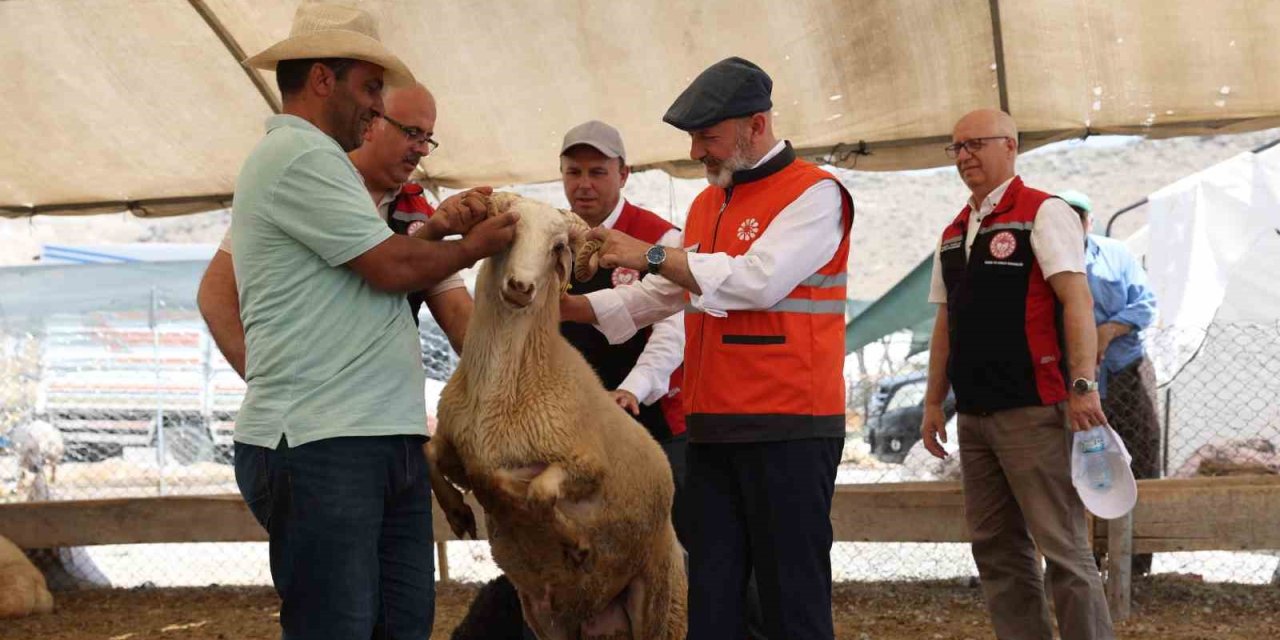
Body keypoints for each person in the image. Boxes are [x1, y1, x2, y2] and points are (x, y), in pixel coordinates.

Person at [223, 4, 517, 639]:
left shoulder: (345, 176)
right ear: (324, 80)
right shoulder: (302, 158)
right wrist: (476, 245)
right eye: (371, 88)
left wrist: (439, 233)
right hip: (324, 441)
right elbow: (388, 265)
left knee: (400, 623)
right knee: (341, 626)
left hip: (376, 436)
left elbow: (407, 272)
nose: (376, 105)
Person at [561, 57, 854, 640]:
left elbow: (756, 280)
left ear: (756, 125)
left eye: (707, 136)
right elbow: (658, 297)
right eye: (694, 137)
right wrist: (565, 309)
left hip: (789, 426)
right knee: (712, 603)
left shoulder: (817, 194)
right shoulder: (705, 204)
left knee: (790, 602)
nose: (697, 151)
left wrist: (643, 252)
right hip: (712, 429)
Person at [919, 109, 1115, 640]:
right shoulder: (954, 231)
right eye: (956, 148)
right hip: (975, 415)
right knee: (996, 549)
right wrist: (933, 401)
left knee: (1064, 549)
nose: (964, 157)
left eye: (975, 144)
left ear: (1010, 146)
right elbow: (945, 320)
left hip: (1036, 408)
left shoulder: (1043, 211)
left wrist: (1081, 386)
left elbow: (1077, 299)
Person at [198, 81, 477, 376]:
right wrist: (265, 381)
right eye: (412, 133)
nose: (422, 150)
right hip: (314, 410)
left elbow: (458, 314)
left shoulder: (417, 213)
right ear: (371, 120)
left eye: (428, 138)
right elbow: (216, 294)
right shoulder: (303, 181)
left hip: (383, 408)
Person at [1060, 189, 1159, 575]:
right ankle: (1085, 556)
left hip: (1125, 370)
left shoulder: (1115, 255)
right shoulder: (1045, 261)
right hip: (1074, 380)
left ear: (1089, 221)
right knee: (1084, 459)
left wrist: (1110, 330)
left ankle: (1138, 561)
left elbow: (1146, 302)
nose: (1072, 224)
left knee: (1141, 455)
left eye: (1078, 217)